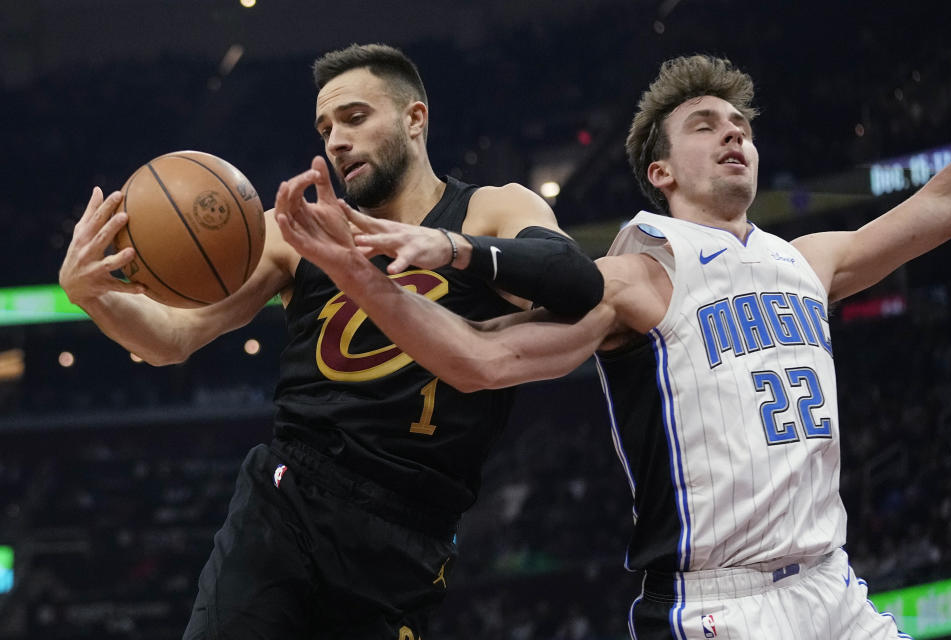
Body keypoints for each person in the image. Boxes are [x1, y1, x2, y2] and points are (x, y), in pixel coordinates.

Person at [274, 54, 951, 639]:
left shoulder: (812, 260)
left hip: (834, 586)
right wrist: (359, 278)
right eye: (705, 125)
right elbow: (481, 360)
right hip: (721, 606)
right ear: (660, 172)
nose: (733, 134)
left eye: (741, 127)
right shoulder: (637, 277)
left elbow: (939, 202)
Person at [58, 43, 602, 639]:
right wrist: (91, 292)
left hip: (413, 528)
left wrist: (451, 248)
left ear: (415, 119)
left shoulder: (491, 210)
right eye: (325, 127)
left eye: (355, 118)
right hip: (291, 500)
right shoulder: (296, 232)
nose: (336, 140)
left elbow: (577, 282)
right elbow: (173, 337)